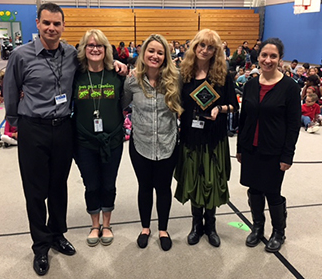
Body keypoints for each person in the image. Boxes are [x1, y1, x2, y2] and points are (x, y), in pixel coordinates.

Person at [3, 2, 127, 276]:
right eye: (46, 23)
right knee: (36, 191)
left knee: (58, 186)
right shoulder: (21, 55)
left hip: (63, 129)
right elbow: (10, 91)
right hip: (33, 127)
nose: (51, 28)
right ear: (37, 23)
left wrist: (118, 64)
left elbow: (98, 62)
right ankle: (40, 246)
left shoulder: (72, 54)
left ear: (63, 26)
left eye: (56, 24)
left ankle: (57, 234)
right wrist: (15, 125)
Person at [174, 29, 239, 248]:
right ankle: (196, 226)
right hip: (191, 137)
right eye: (201, 45)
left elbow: (234, 106)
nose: (205, 50)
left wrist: (219, 109)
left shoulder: (222, 76)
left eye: (210, 47)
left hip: (214, 138)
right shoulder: (185, 74)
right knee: (194, 181)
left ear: (216, 51)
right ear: (194, 47)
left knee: (211, 182)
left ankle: (210, 226)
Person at [236, 38, 301, 253]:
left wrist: (287, 155)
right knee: (254, 189)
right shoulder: (252, 84)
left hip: (274, 150)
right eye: (264, 55)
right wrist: (240, 147)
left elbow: (293, 125)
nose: (268, 60)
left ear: (280, 59)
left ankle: (278, 232)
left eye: (273, 56)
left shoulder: (290, 87)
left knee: (272, 192)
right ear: (258, 57)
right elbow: (244, 117)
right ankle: (257, 227)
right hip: (251, 148)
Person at [122, 34, 183, 251]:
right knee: (145, 187)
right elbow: (121, 104)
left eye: (160, 52)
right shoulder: (132, 82)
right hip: (140, 145)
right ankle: (145, 227)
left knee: (164, 188)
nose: (155, 56)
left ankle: (163, 229)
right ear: (143, 53)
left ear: (165, 56)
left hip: (168, 144)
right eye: (151, 51)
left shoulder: (176, 80)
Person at [73, 29, 125, 248]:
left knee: (109, 184)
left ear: (106, 49)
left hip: (112, 141)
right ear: (84, 49)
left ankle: (107, 224)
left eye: (100, 45)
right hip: (84, 142)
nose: (95, 49)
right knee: (91, 184)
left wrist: (125, 66)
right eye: (90, 45)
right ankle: (95, 225)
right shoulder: (75, 74)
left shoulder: (117, 74)